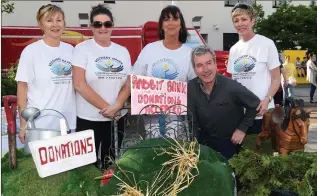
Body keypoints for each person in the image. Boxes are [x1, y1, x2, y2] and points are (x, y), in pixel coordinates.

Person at [72, 4, 131, 170]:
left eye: (107, 24)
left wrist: (118, 105)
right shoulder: (82, 49)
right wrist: (108, 108)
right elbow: (79, 83)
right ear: (91, 27)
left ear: (112, 26)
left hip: (117, 118)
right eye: (97, 24)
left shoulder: (122, 51)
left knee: (111, 164)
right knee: (86, 167)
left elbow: (128, 82)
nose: (102, 28)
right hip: (88, 118)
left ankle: (108, 195)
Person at [132, 5, 196, 139]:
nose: (171, 23)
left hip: (178, 118)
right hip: (151, 118)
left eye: (175, 19)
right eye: (166, 19)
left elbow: (194, 86)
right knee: (153, 150)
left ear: (181, 25)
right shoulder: (149, 50)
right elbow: (135, 79)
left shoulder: (189, 53)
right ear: (161, 25)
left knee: (175, 151)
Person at [16, 4, 76, 144]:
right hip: (41, 125)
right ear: (40, 24)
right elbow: (22, 88)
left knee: (67, 164)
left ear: (64, 23)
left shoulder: (71, 50)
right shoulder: (31, 52)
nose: (55, 25)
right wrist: (23, 125)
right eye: (49, 20)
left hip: (68, 122)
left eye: (59, 20)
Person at [188, 45, 260, 160]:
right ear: (194, 69)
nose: (205, 69)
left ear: (215, 64)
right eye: (199, 65)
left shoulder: (231, 86)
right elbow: (192, 120)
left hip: (229, 142)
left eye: (208, 63)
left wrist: (242, 129)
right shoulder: (190, 88)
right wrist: (193, 146)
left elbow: (255, 104)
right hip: (204, 143)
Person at [227, 3, 281, 135]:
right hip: (240, 115)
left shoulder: (267, 44)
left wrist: (267, 99)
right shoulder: (234, 49)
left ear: (253, 21)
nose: (240, 24)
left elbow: (276, 78)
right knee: (243, 154)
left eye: (244, 19)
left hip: (263, 113)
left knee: (262, 153)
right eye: (236, 20)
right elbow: (232, 83)